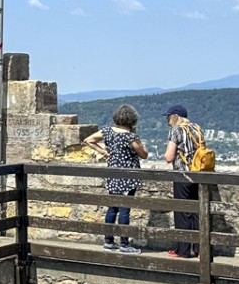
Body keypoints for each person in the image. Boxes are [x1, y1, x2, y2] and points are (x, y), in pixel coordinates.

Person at [83, 104, 148, 253]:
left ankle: (109, 241)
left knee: (112, 208)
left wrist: (104, 152)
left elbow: (88, 140)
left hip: (112, 174)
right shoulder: (130, 136)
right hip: (128, 177)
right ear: (132, 121)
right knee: (125, 210)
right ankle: (124, 244)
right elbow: (143, 154)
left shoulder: (107, 132)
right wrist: (143, 145)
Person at [162, 104, 204, 258]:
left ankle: (184, 249)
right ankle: (201, 249)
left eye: (168, 117)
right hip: (199, 174)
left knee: (182, 212)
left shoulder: (177, 130)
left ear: (175, 116)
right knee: (197, 212)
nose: (168, 120)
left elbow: (169, 157)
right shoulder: (197, 128)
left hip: (182, 175)